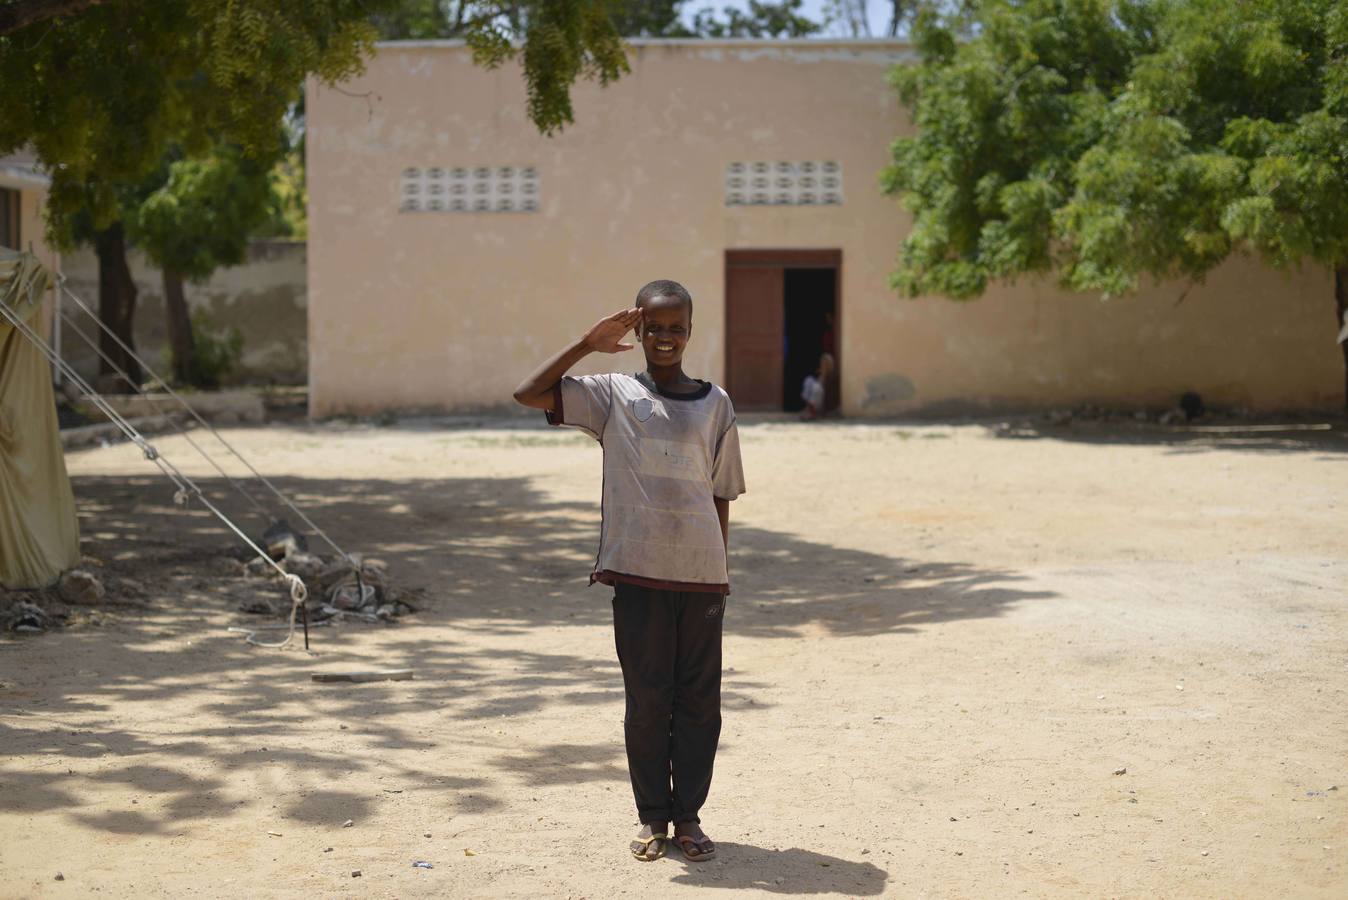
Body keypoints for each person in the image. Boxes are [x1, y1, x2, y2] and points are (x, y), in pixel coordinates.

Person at [512, 280, 746, 863]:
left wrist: (720, 568)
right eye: (655, 327)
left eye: (677, 327)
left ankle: (688, 817)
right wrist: (586, 344)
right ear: (639, 332)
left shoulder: (716, 403)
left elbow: (721, 493)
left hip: (699, 576)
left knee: (698, 702)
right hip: (637, 572)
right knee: (646, 700)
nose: (666, 337)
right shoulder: (611, 394)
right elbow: (528, 393)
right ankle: (652, 819)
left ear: (690, 331)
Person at [799, 352, 834, 421]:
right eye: (822, 362)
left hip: (823, 400)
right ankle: (809, 410)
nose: (823, 364)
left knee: (817, 388)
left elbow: (828, 391)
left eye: (825, 362)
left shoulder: (832, 375)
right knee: (809, 380)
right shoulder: (820, 372)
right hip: (815, 398)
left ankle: (812, 413)